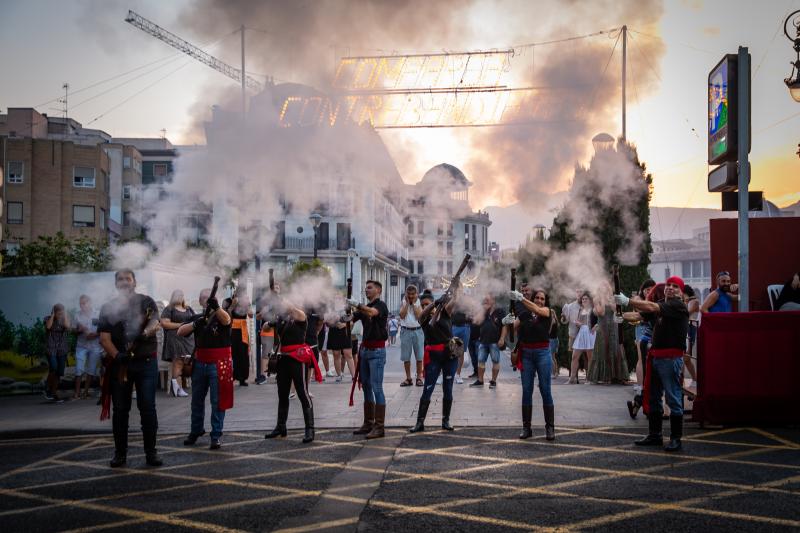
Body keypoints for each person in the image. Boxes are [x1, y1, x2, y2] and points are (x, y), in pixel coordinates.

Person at [616, 276, 689, 452]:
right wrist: (620, 315)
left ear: (680, 291)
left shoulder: (677, 305)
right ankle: (655, 435)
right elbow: (640, 315)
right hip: (656, 357)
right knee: (654, 397)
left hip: (670, 359)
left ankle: (676, 438)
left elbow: (650, 306)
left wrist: (626, 300)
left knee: (672, 398)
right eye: (668, 285)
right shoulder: (663, 303)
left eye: (675, 286)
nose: (670, 288)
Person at [98, 269, 162, 468]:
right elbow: (104, 339)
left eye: (128, 278)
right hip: (120, 364)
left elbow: (156, 323)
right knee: (120, 410)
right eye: (120, 279)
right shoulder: (108, 307)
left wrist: (144, 333)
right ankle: (120, 454)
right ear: (116, 283)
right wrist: (118, 355)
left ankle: (151, 453)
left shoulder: (147, 301)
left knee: (147, 408)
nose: (124, 282)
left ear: (134, 282)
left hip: (146, 363)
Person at [178, 288, 233, 449]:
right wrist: (196, 323)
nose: (206, 299)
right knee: (196, 400)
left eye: (210, 298)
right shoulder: (197, 317)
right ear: (201, 301)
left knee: (217, 402)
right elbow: (181, 331)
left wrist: (216, 308)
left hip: (219, 363)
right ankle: (196, 430)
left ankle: (216, 435)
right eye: (204, 298)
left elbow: (227, 320)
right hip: (200, 362)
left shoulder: (222, 314)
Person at [264, 295, 323, 444]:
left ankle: (310, 429)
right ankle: (280, 427)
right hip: (283, 358)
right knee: (282, 394)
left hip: (298, 359)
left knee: (303, 393)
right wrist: (271, 322)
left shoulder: (300, 315)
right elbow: (265, 327)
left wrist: (280, 299)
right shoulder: (282, 319)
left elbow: (292, 309)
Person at [509, 288, 556, 440]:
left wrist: (521, 298)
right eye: (537, 298)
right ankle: (526, 428)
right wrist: (506, 322)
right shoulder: (524, 313)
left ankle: (550, 428)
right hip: (527, 354)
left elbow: (536, 309)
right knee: (526, 390)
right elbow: (513, 327)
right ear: (533, 298)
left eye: (542, 299)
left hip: (543, 353)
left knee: (545, 389)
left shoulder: (548, 311)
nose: (539, 301)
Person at [409, 289, 458, 433]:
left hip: (449, 355)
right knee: (428, 389)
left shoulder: (445, 312)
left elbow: (455, 300)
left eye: (427, 304)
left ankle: (446, 420)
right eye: (423, 304)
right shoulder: (422, 316)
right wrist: (434, 303)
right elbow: (422, 315)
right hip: (433, 357)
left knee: (447, 388)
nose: (424, 307)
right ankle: (419, 422)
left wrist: (457, 287)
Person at [348, 280, 389, 439]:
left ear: (378, 290)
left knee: (376, 387)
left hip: (377, 351)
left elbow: (371, 312)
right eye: (365, 288)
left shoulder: (381, 305)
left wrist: (356, 304)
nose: (366, 290)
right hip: (365, 350)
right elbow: (349, 319)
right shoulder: (364, 308)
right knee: (366, 386)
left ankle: (379, 427)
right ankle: (369, 422)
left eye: (370, 288)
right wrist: (344, 314)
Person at [625, 279, 656, 418]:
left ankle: (637, 403)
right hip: (646, 336)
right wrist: (622, 314)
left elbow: (644, 311)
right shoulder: (642, 301)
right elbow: (638, 314)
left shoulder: (657, 303)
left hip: (658, 341)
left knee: (654, 379)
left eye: (651, 289)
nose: (648, 291)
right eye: (646, 289)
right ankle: (640, 397)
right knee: (645, 365)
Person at [587, 282, 628, 384]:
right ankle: (605, 377)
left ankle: (619, 377)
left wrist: (610, 301)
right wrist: (602, 299)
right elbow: (601, 312)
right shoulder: (596, 299)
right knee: (603, 350)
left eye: (606, 286)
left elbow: (617, 310)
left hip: (614, 327)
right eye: (602, 286)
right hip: (603, 328)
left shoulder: (613, 298)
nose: (604, 288)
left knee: (616, 350)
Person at [160, 290, 195, 397]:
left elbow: (195, 321)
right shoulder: (169, 309)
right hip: (175, 338)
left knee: (191, 360)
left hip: (189, 339)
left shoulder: (189, 309)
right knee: (178, 361)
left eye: (181, 295)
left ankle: (183, 385)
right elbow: (164, 323)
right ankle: (177, 388)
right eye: (177, 295)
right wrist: (182, 325)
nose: (179, 297)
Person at [470, 294, 506, 389]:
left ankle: (493, 381)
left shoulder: (500, 311)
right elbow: (476, 321)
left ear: (493, 300)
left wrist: (502, 338)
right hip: (483, 340)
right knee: (481, 361)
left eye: (487, 299)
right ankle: (480, 380)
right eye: (484, 299)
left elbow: (504, 325)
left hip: (495, 341)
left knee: (495, 360)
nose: (485, 301)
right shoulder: (483, 311)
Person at [74, 295, 103, 400]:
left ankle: (85, 392)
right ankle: (76, 393)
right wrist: (79, 330)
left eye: (84, 303)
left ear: (90, 303)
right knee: (79, 369)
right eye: (80, 303)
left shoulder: (98, 314)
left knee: (91, 370)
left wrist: (94, 335)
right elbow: (74, 331)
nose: (82, 305)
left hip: (95, 346)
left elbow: (103, 329)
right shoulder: (77, 315)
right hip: (81, 346)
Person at [398, 285, 424, 387]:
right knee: (406, 357)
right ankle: (408, 378)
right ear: (406, 293)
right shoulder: (403, 301)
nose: (411, 296)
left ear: (416, 294)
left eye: (413, 294)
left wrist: (413, 304)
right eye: (409, 294)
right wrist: (407, 304)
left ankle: (419, 378)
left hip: (418, 330)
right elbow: (402, 315)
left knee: (419, 356)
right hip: (406, 330)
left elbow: (419, 316)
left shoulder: (419, 302)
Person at [44, 303, 70, 402]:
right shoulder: (47, 318)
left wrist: (65, 315)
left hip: (62, 348)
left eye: (61, 313)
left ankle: (53, 393)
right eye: (58, 313)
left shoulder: (64, 319)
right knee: (53, 367)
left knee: (59, 372)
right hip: (51, 348)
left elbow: (67, 326)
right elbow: (48, 327)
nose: (60, 315)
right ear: (54, 312)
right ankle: (47, 387)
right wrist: (53, 316)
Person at [568, 292, 595, 384]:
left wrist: (595, 327)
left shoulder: (593, 310)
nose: (584, 300)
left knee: (590, 357)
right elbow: (580, 322)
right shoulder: (581, 310)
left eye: (586, 299)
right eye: (583, 299)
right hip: (581, 333)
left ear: (590, 300)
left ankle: (590, 378)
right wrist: (578, 323)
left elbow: (598, 321)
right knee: (574, 356)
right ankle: (572, 378)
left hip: (590, 333)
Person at [326, 304, 355, 383]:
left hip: (345, 332)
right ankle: (339, 375)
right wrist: (332, 322)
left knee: (348, 354)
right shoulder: (330, 308)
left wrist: (344, 325)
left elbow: (352, 321)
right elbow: (326, 323)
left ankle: (354, 376)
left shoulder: (347, 307)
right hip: (334, 332)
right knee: (336, 354)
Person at [228, 291, 253, 387]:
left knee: (243, 354)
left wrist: (248, 305)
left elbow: (251, 315)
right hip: (233, 330)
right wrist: (233, 305)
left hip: (242, 330)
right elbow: (228, 316)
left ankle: (242, 378)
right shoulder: (230, 302)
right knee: (233, 353)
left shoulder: (245, 304)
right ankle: (232, 375)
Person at [683, 285, 700, 388]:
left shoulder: (695, 301)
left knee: (686, 357)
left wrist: (684, 302)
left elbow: (686, 313)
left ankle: (694, 380)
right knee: (685, 358)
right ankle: (693, 379)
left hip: (690, 328)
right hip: (684, 327)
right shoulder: (685, 301)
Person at [560, 289, 583, 360]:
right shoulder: (570, 306)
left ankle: (588, 371)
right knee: (573, 357)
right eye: (577, 292)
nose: (579, 294)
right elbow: (565, 321)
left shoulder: (587, 305)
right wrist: (563, 317)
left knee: (586, 357)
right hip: (573, 335)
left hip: (585, 335)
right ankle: (573, 371)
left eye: (581, 292)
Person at [450, 306, 470, 384]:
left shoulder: (466, 300)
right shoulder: (452, 299)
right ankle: (447, 374)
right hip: (454, 326)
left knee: (460, 353)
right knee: (451, 351)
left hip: (465, 326)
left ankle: (458, 374)